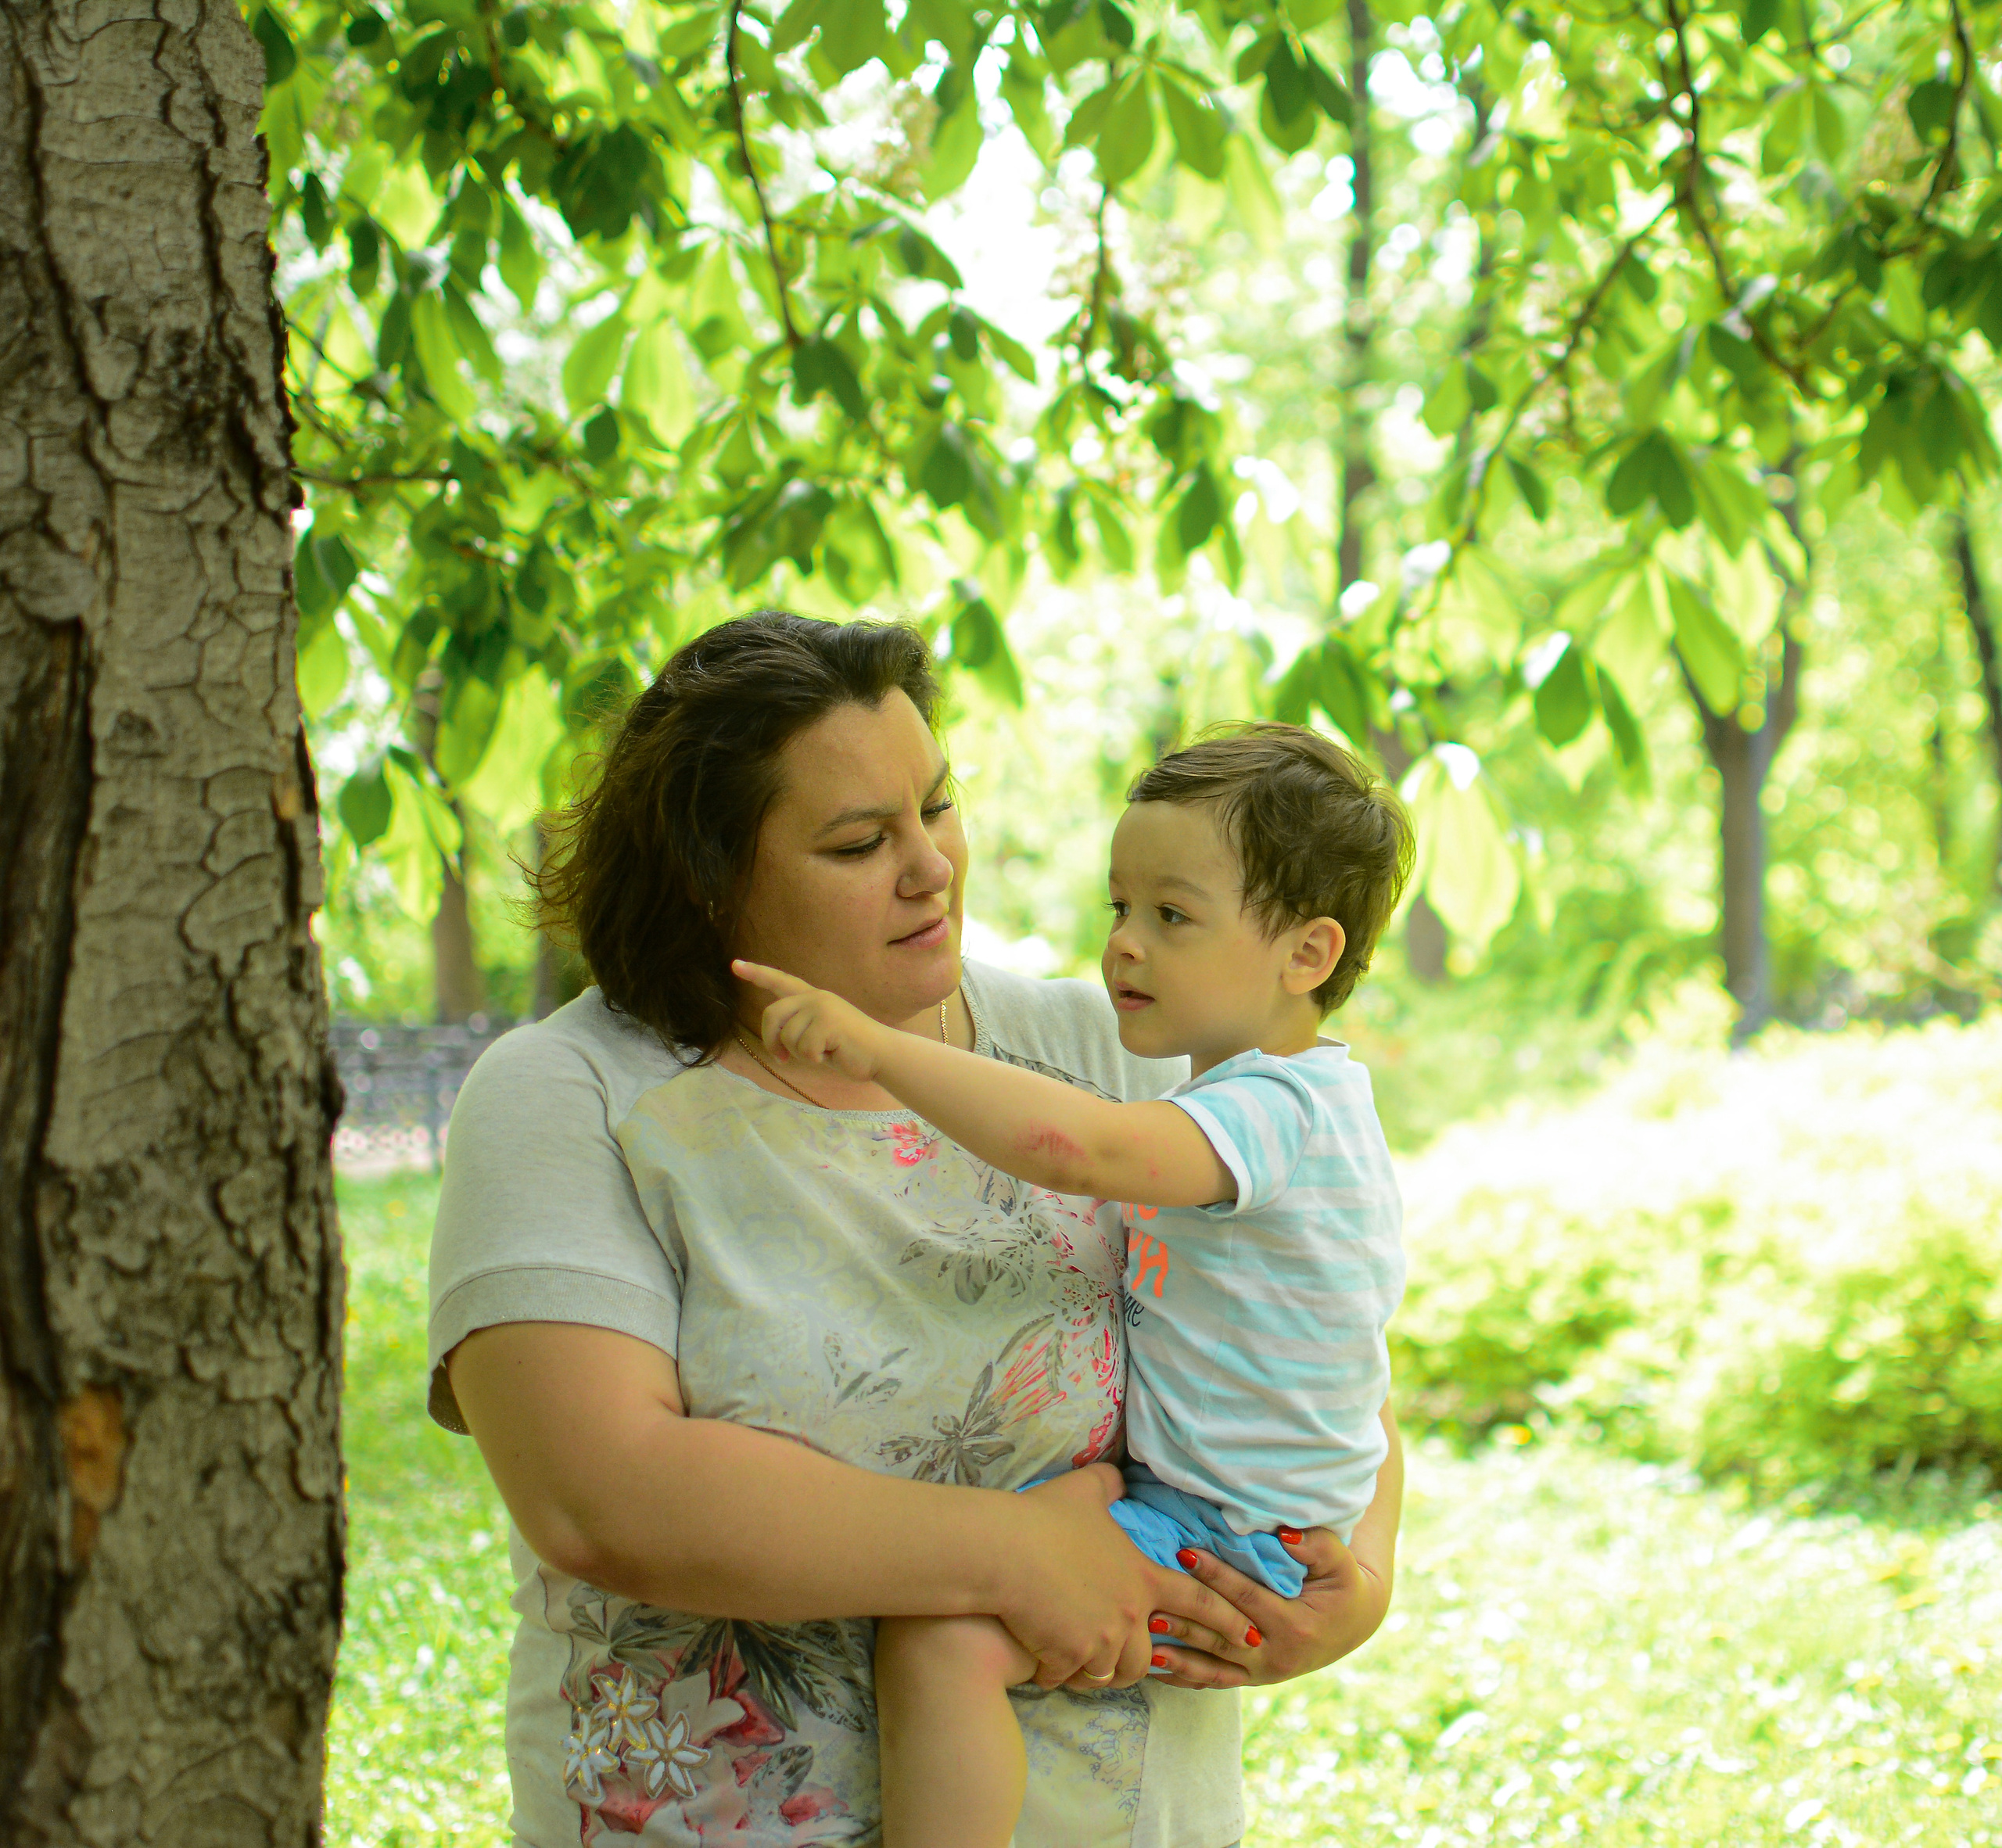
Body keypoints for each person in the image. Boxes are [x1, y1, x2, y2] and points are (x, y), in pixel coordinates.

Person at [429, 612, 1405, 1846]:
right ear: (707, 873)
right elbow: (604, 1496)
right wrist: (1008, 1557)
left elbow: (1317, 1335)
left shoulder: (1106, 1053)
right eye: (857, 841)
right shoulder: (571, 1096)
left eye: (937, 808)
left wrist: (1357, 1576)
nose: (930, 865)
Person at [734, 723, 1410, 1848]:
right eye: (1120, 910)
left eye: (1173, 917)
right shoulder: (1300, 1106)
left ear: (1307, 954)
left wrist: (878, 1048)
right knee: (1030, 1533)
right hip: (1221, 1503)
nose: (1126, 949)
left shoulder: (1272, 1113)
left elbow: (1071, 1148)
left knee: (942, 1643)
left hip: (1223, 1531)